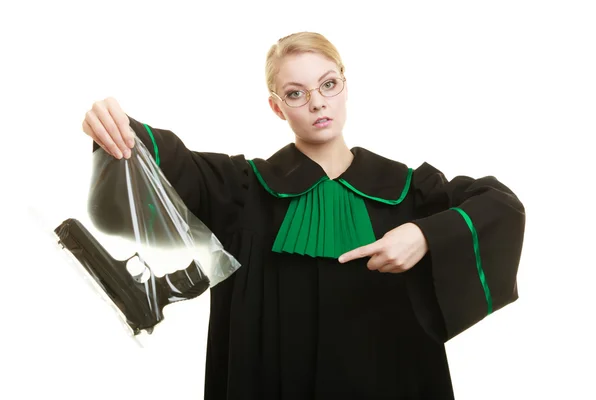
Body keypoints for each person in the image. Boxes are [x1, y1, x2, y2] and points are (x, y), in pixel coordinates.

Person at [82, 32, 526, 400]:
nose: (317, 102)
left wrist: (425, 234)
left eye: (328, 84)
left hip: (393, 382)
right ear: (278, 107)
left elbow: (499, 205)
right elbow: (169, 164)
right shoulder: (242, 188)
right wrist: (115, 126)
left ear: (345, 86)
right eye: (297, 93)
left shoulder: (410, 191)